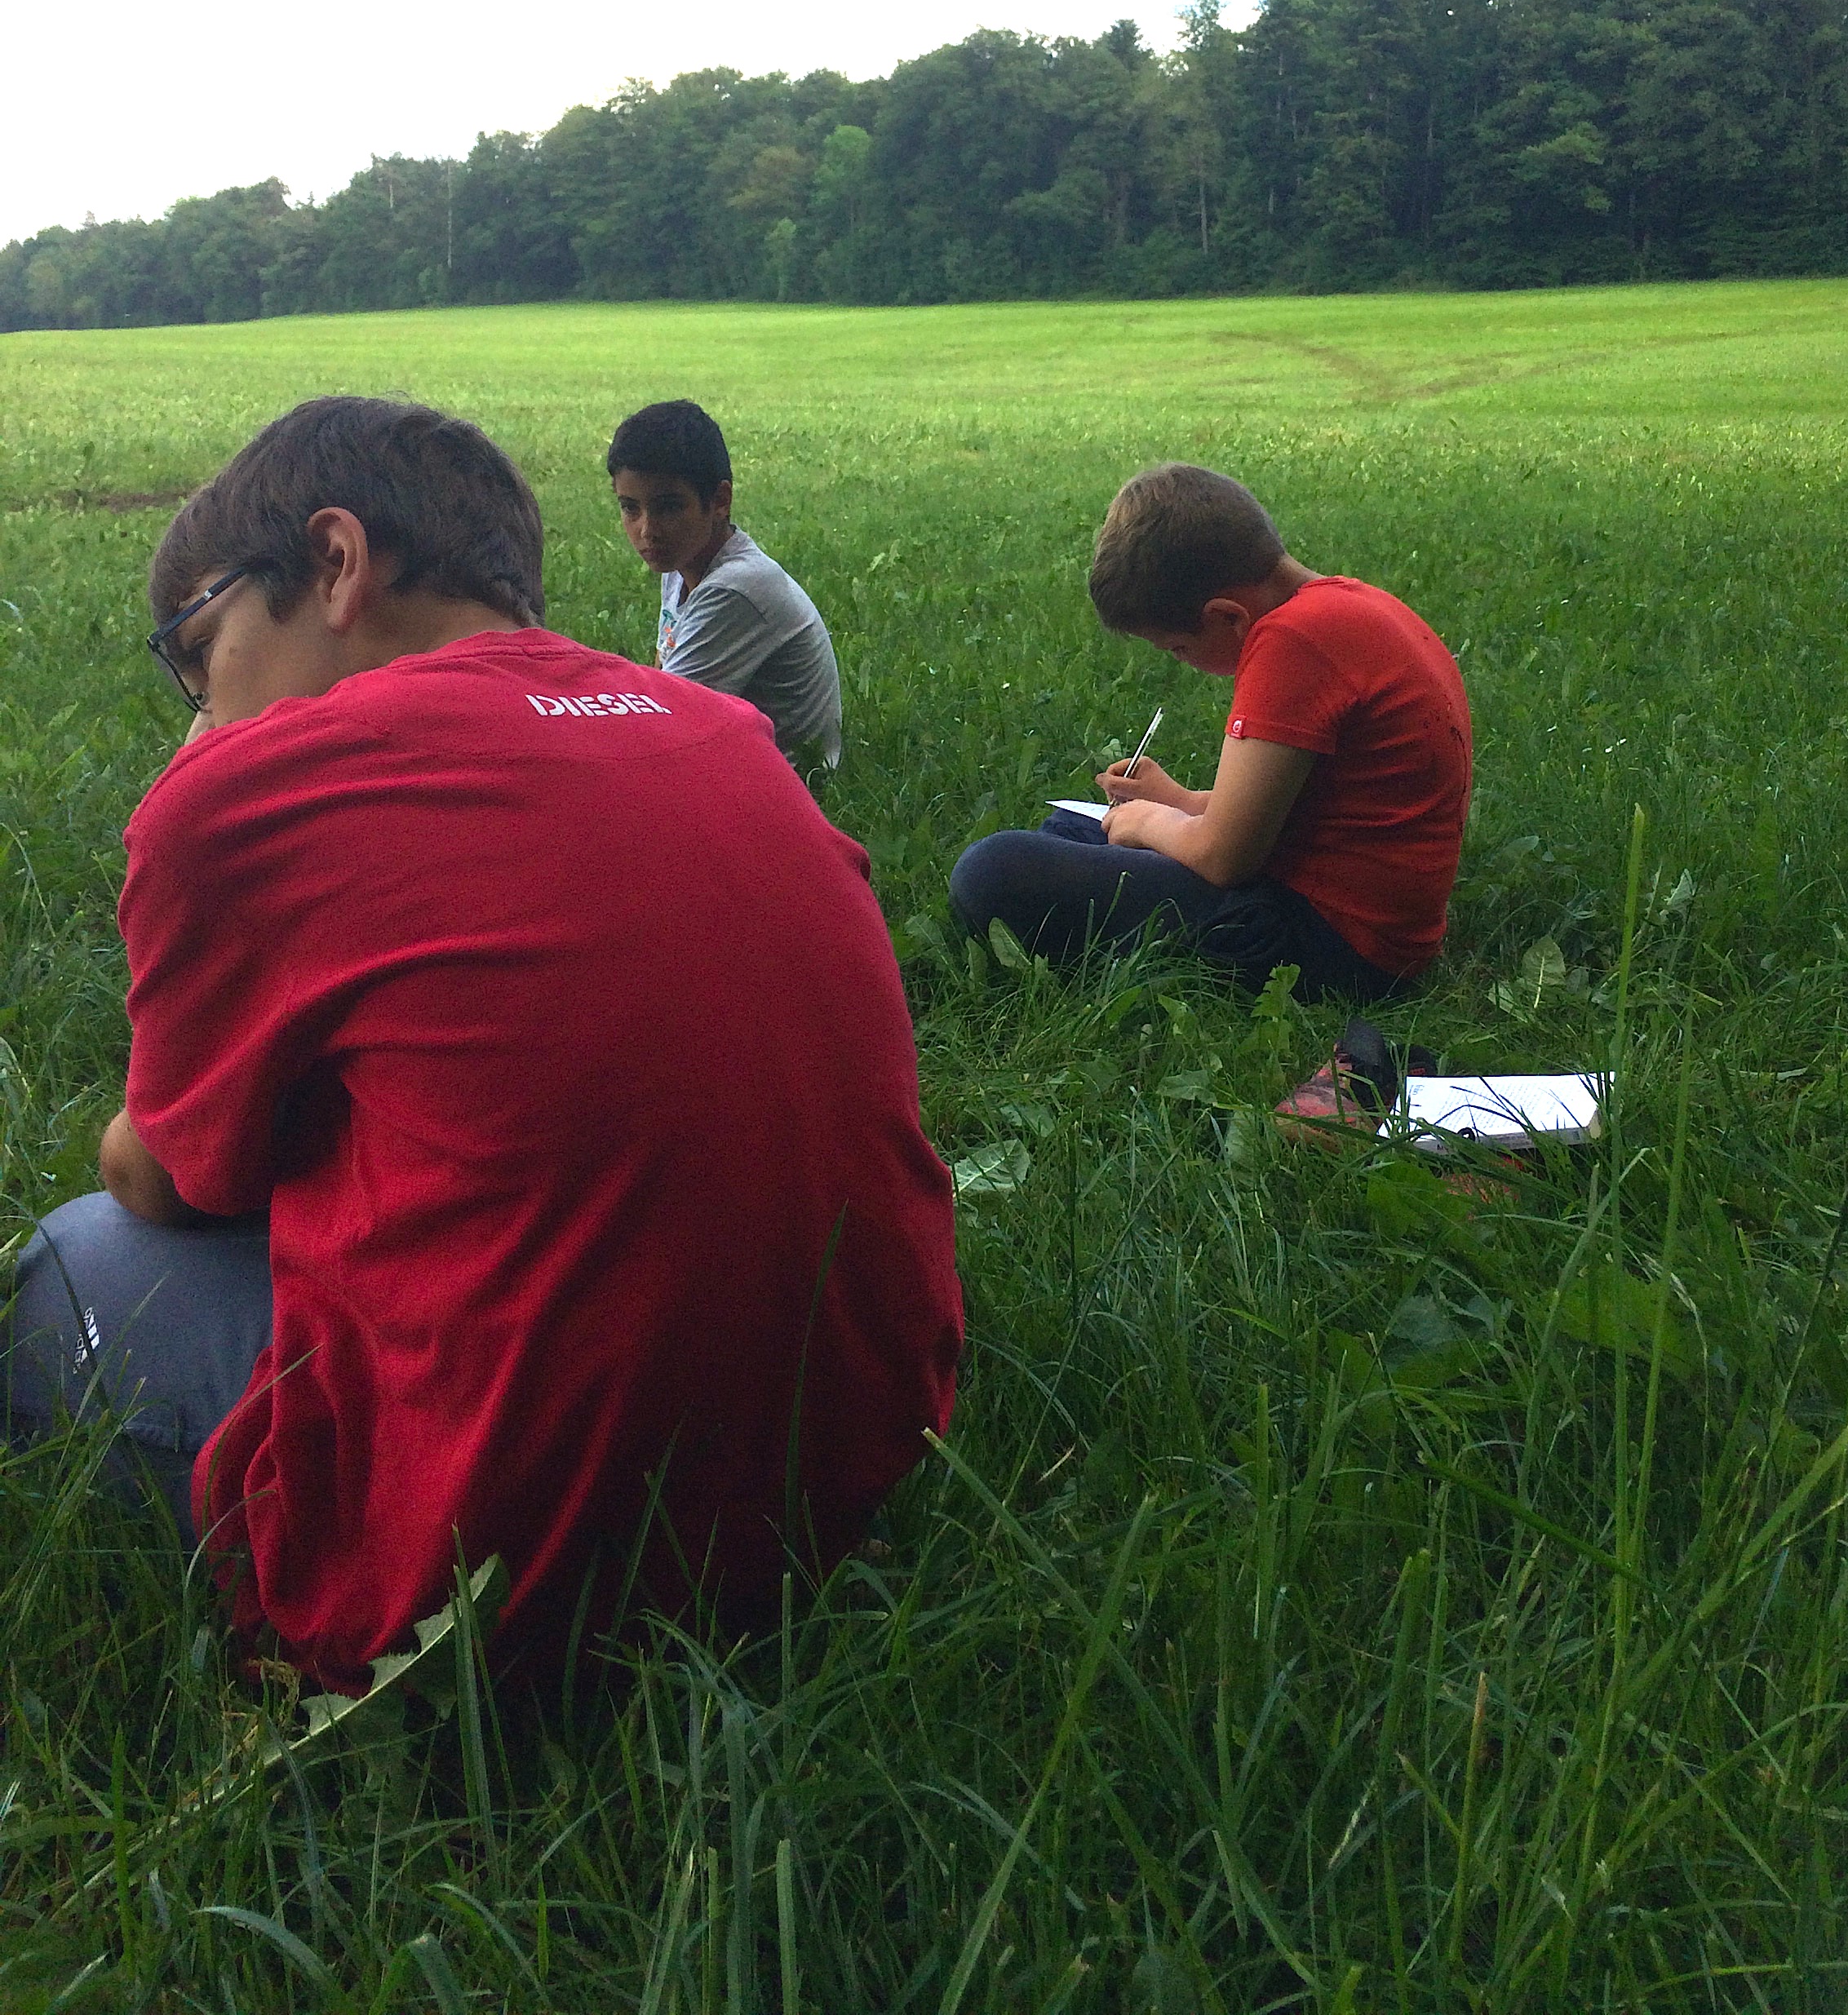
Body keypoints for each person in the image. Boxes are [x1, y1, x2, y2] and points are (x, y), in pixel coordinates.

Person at [1, 396, 959, 1692]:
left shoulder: (246, 788)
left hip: (501, 1572)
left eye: (201, 649)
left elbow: (167, 1181)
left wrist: (205, 781)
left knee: (70, 1258)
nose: (202, 704)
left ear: (335, 561)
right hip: (841, 1478)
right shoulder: (729, 738)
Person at [949, 463, 1471, 1003]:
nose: (1180, 660)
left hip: (1331, 944)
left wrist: (1150, 820)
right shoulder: (1353, 605)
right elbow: (1295, 814)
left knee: (994, 870)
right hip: (1330, 903)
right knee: (1074, 826)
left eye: (1178, 647)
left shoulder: (1293, 642)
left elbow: (1226, 857)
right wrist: (1175, 800)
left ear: (1228, 616)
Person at [608, 400, 842, 768]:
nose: (647, 530)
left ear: (720, 500)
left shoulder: (734, 588)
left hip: (780, 783)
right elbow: (662, 678)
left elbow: (660, 725)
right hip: (734, 760)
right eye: (630, 508)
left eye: (669, 507)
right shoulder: (682, 563)